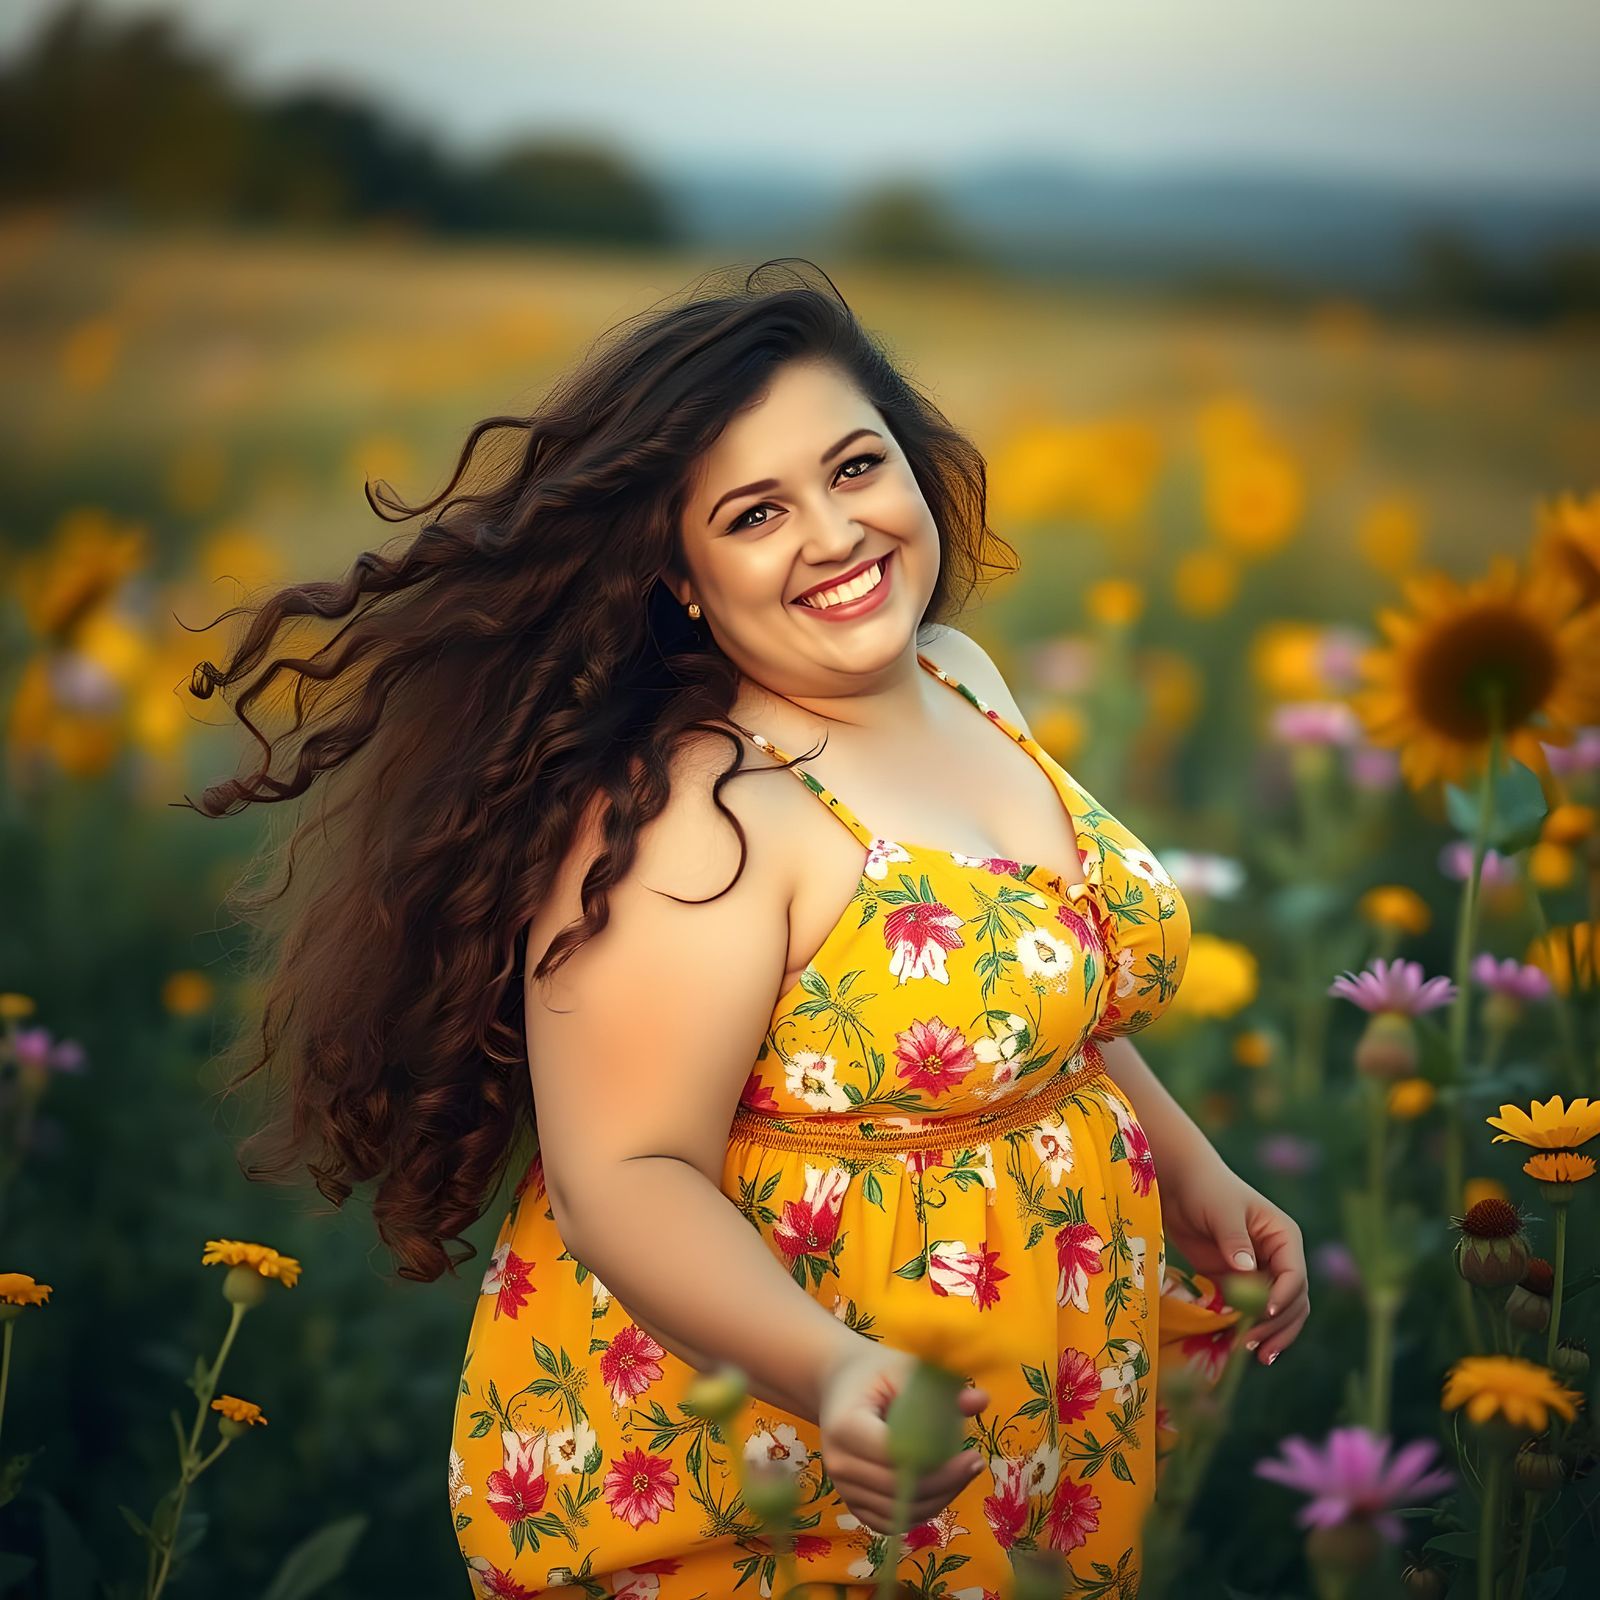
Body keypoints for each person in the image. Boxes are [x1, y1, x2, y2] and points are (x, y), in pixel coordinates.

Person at [191, 261, 1307, 1599]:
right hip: (788, 1444)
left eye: (855, 468)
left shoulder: (962, 677)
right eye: (756, 512)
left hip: (1038, 1379)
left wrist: (1194, 1171)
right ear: (679, 573)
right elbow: (625, 1174)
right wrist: (825, 1368)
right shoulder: (700, 814)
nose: (835, 534)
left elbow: (1039, 1007)